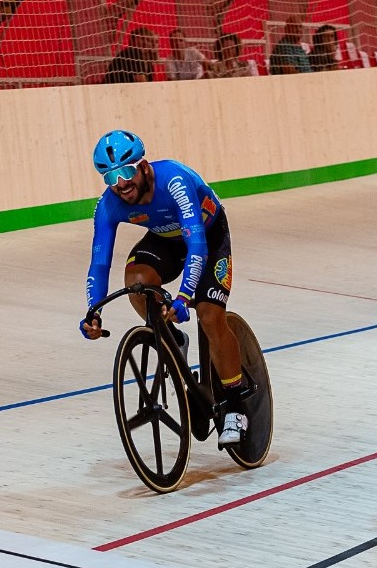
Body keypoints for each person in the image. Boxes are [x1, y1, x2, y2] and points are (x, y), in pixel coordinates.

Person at [79, 130, 252, 446]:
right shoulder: (108, 205)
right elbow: (100, 262)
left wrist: (185, 295)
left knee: (210, 315)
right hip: (165, 240)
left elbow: (196, 244)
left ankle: (236, 406)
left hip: (207, 237)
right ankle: (174, 338)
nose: (121, 183)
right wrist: (94, 310)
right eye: (110, 176)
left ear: (143, 166)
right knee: (135, 282)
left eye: (127, 171)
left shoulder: (174, 179)